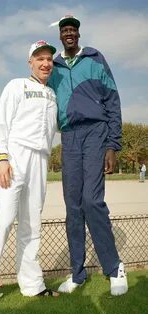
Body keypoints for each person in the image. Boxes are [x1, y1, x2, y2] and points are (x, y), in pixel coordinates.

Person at [0, 40, 58, 312]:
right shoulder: (16, 85)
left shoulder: (53, 95)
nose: (45, 63)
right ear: (30, 62)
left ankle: (32, 284)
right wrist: (0, 157)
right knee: (2, 223)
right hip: (14, 159)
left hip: (40, 161)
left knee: (31, 226)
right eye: (40, 58)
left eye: (49, 59)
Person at [48, 15, 128, 296]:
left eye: (73, 30)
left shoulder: (95, 58)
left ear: (78, 35)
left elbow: (112, 99)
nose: (69, 34)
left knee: (92, 201)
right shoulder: (54, 67)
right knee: (73, 208)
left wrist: (112, 145)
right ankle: (77, 273)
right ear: (60, 36)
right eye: (65, 30)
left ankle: (114, 266)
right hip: (69, 137)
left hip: (96, 132)